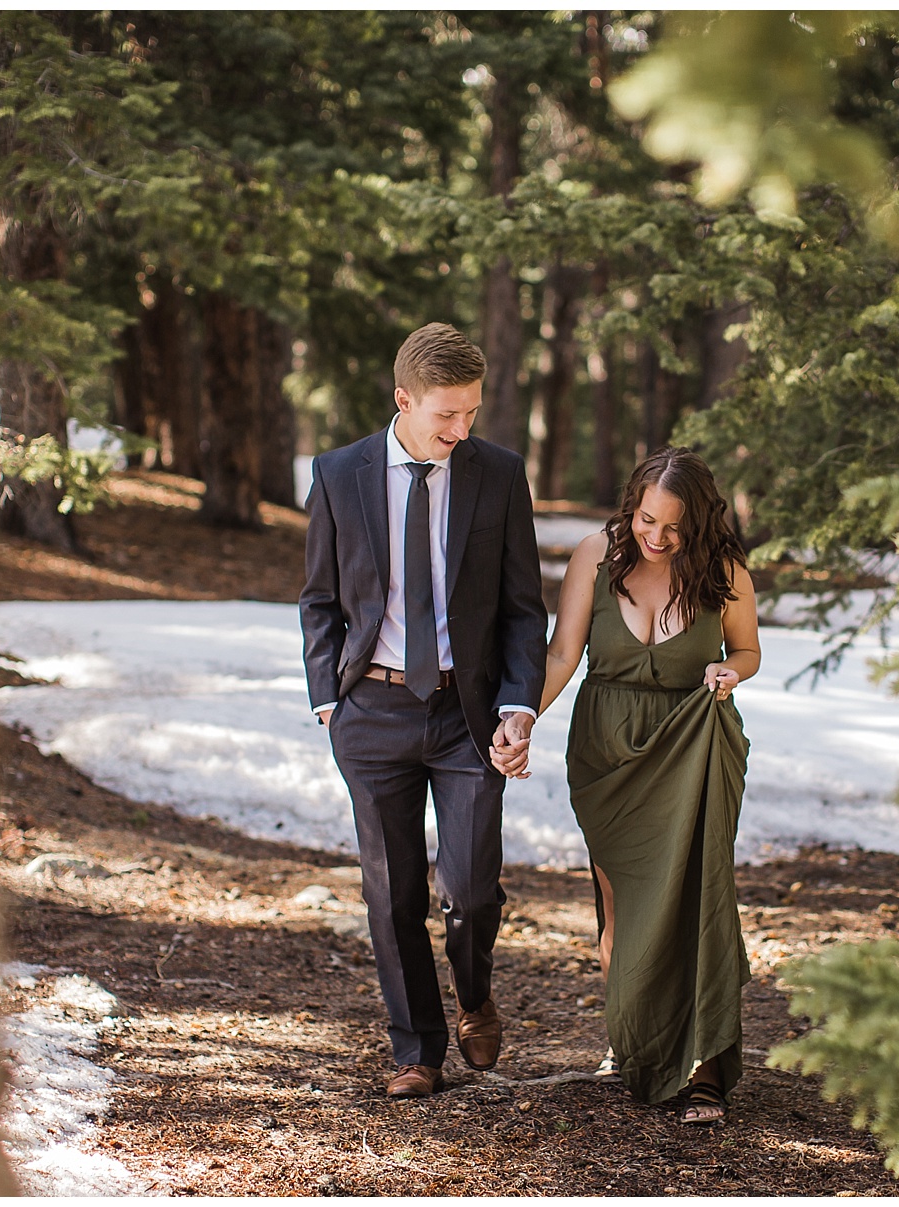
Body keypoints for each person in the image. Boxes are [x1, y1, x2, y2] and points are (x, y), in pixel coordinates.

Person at [300, 322, 548, 1099]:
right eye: (446, 414)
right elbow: (318, 596)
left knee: (472, 886)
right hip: (369, 710)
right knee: (392, 891)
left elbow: (521, 607)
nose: (460, 429)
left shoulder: (498, 475)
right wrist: (325, 701)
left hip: (466, 714)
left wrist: (519, 705)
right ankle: (417, 1049)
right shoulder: (339, 474)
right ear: (403, 398)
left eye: (472, 412)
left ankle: (473, 992)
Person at [490, 446, 759, 1125]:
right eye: (647, 519)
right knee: (621, 905)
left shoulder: (723, 571)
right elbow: (561, 653)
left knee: (697, 895)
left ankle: (701, 1065)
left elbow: (747, 649)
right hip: (607, 756)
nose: (658, 537)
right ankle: (634, 1042)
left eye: (673, 527)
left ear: (697, 523)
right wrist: (522, 719)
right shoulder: (595, 556)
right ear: (631, 505)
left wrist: (732, 674)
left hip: (690, 749)